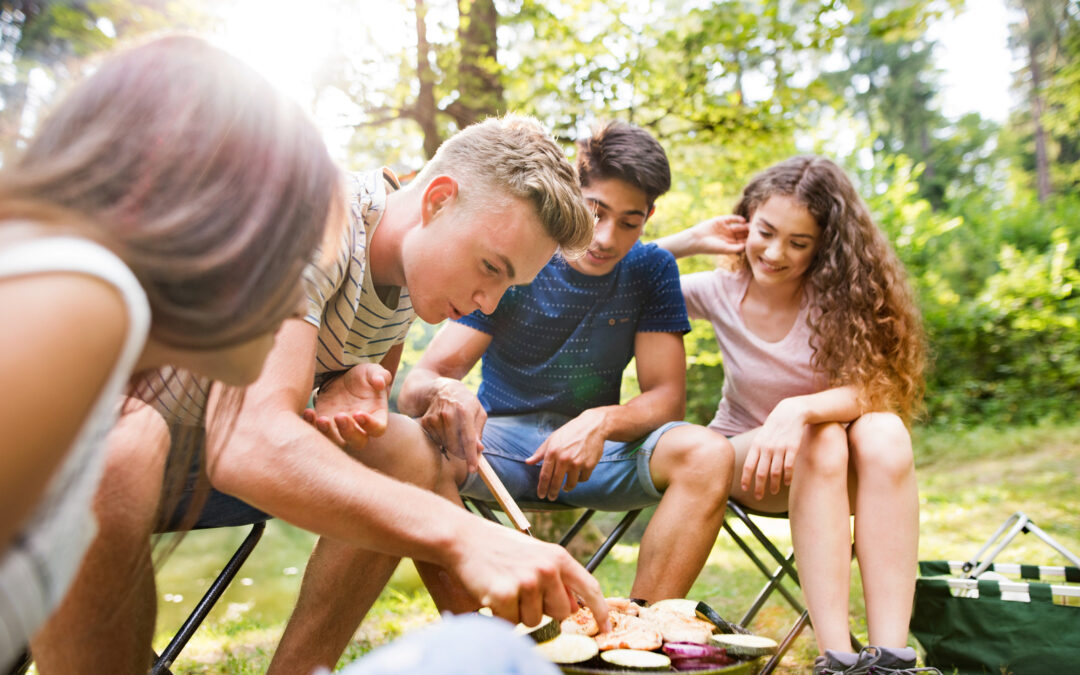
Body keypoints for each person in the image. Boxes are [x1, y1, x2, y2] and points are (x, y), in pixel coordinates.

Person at [32, 112, 609, 674]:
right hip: (66, 446)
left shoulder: (411, 283)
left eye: (508, 285)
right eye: (491, 266)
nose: (488, 301)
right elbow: (248, 439)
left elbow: (331, 399)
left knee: (406, 452)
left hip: (190, 455)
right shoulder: (316, 214)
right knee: (127, 437)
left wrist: (340, 385)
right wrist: (467, 537)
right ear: (438, 200)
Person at [0, 35, 339, 672]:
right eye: (294, 254)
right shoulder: (86, 298)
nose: (302, 298)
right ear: (221, 225)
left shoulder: (103, 370)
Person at [394, 121, 736, 603]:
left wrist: (600, 421)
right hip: (499, 448)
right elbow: (421, 382)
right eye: (595, 211)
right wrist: (449, 394)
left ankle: (638, 640)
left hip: (597, 456)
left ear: (650, 217)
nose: (606, 237)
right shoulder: (523, 254)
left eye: (630, 222)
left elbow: (667, 398)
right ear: (574, 192)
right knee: (409, 447)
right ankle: (482, 645)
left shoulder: (652, 269)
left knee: (709, 452)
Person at [654, 155, 935, 674]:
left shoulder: (845, 299)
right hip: (745, 461)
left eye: (798, 243)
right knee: (822, 439)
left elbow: (880, 388)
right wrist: (688, 241)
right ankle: (836, 658)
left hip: (835, 469)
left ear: (824, 247)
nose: (775, 252)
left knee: (885, 432)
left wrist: (798, 410)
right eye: (765, 231)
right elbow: (616, 273)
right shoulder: (716, 290)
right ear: (745, 222)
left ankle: (891, 660)